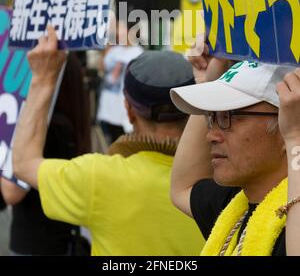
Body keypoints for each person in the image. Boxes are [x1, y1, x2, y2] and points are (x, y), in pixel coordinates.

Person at [12, 26, 204, 256]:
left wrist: (43, 79)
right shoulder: (222, 179)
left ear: (129, 110)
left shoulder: (99, 177)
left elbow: (23, 164)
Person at [170, 38, 300, 256]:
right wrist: (207, 82)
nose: (210, 135)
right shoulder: (234, 205)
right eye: (211, 117)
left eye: (229, 116)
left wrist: (296, 138)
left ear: (284, 123)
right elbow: (182, 187)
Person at [1, 52, 91, 255]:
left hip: (37, 242)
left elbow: (12, 191)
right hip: (59, 238)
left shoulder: (46, 128)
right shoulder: (68, 121)